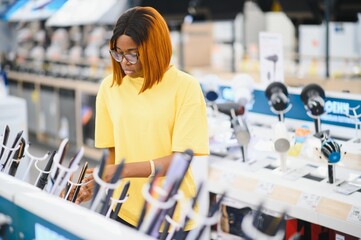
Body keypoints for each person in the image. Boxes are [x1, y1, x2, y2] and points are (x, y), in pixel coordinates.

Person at [74, 6, 209, 233]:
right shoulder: (109, 87)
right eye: (117, 53)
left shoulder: (186, 87)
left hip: (170, 215)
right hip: (120, 209)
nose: (124, 61)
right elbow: (111, 154)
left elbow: (181, 161)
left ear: (154, 48)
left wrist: (120, 171)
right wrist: (96, 184)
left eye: (132, 53)